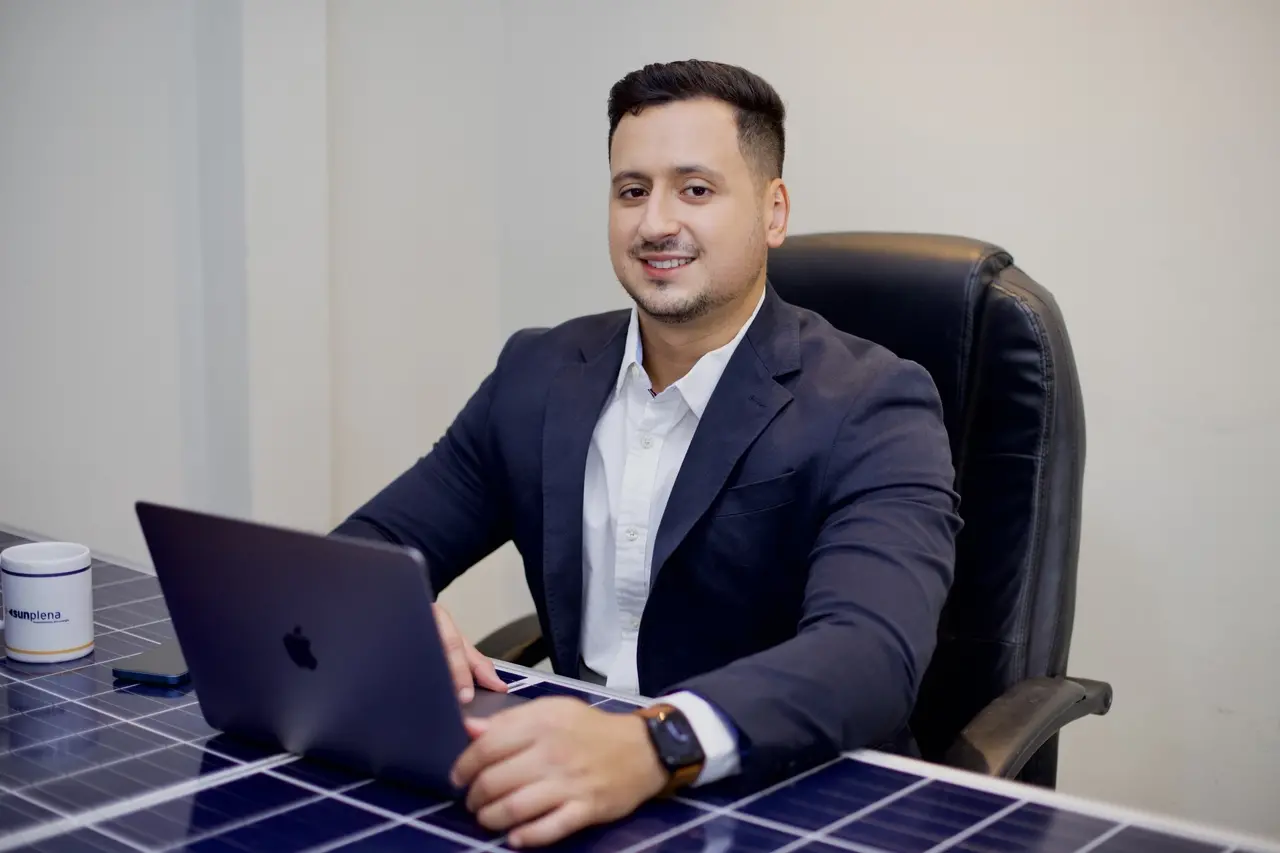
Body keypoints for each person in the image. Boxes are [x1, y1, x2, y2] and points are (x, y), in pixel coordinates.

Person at [333, 59, 961, 847]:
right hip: (573, 788)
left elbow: (868, 654)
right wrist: (396, 618)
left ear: (773, 211)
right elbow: (367, 549)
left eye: (695, 189)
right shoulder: (537, 374)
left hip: (790, 798)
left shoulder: (876, 401)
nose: (655, 223)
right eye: (632, 191)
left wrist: (652, 744)